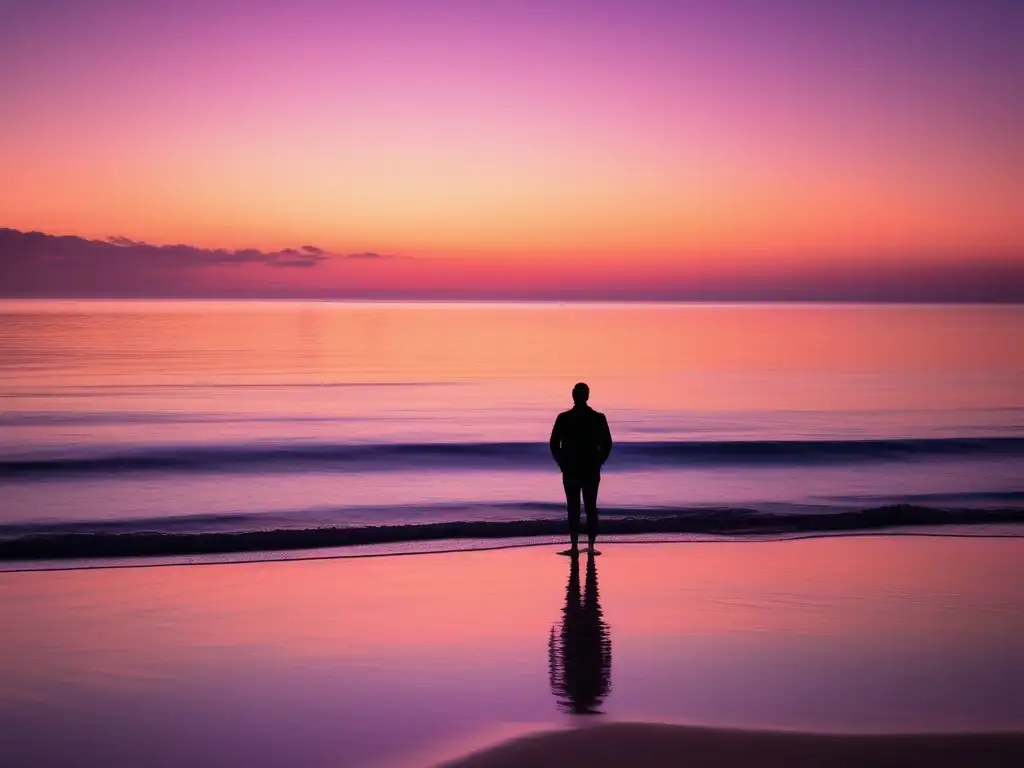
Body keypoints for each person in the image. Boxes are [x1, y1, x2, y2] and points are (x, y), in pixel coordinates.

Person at [549, 382, 612, 555]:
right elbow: (607, 444)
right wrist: (599, 461)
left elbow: (554, 444)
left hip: (573, 468)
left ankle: (576, 547)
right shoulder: (598, 418)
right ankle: (590, 546)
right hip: (587, 468)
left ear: (573, 395)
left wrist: (561, 461)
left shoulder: (564, 418)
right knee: (589, 507)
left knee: (574, 508)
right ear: (587, 396)